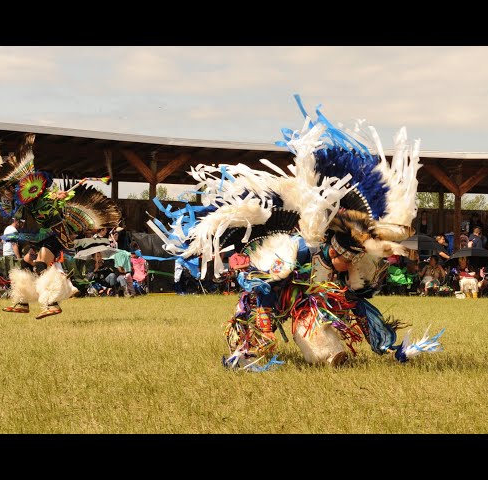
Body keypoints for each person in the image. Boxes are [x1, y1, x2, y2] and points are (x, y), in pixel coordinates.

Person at [145, 95, 445, 370]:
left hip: (307, 299)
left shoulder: (353, 269)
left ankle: (330, 355)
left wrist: (387, 346)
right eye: (347, 258)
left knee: (313, 321)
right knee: (261, 317)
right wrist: (257, 300)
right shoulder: (296, 249)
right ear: (334, 250)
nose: (350, 263)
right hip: (274, 290)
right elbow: (259, 282)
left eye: (354, 258)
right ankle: (249, 351)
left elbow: (359, 305)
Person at [0, 133, 121, 318]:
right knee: (26, 264)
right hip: (43, 234)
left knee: (41, 264)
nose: (5, 193)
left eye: (7, 189)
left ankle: (52, 303)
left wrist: (56, 197)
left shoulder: (40, 196)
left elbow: (50, 201)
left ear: (15, 187)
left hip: (57, 234)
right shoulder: (24, 202)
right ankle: (22, 302)